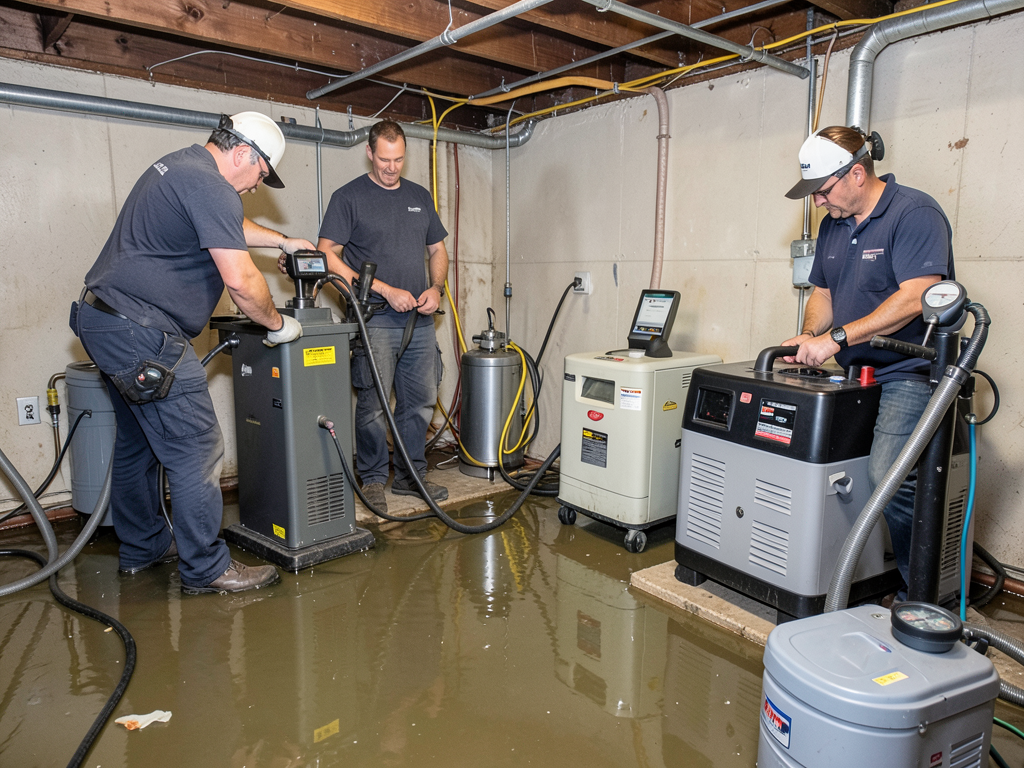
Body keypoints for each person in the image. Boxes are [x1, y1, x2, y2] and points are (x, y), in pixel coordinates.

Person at [72, 112, 316, 594]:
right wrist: (277, 323)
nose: (256, 186)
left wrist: (283, 240)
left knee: (138, 445)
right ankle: (206, 568)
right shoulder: (211, 186)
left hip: (105, 321)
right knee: (198, 447)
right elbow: (242, 282)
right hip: (144, 333)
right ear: (243, 153)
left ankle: (143, 548)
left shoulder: (183, 167)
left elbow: (226, 224)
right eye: (262, 173)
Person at [781, 125, 954, 593]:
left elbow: (915, 297)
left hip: (908, 372)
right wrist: (810, 333)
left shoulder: (914, 213)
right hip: (856, 372)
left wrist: (835, 339)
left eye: (822, 190)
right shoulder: (832, 225)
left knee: (886, 478)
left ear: (857, 173)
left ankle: (923, 595)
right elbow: (824, 292)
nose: (818, 201)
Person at [301, 119, 449, 515]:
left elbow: (438, 250)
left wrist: (436, 287)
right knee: (373, 404)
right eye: (384, 159)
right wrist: (384, 289)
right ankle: (371, 479)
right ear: (369, 153)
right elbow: (326, 253)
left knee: (420, 402)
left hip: (419, 320)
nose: (391, 168)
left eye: (398, 159)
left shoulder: (419, 196)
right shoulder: (349, 197)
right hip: (376, 320)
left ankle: (410, 476)